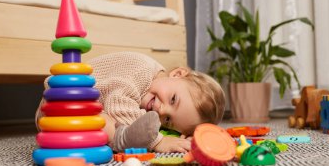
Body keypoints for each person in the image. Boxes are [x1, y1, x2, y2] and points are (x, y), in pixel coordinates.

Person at [37, 51, 226, 153]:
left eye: (168, 120)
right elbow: (117, 106)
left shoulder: (153, 90)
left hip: (70, 122)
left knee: (106, 126)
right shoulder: (141, 70)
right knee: (107, 124)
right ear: (177, 74)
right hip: (58, 105)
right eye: (173, 99)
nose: (161, 110)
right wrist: (157, 141)